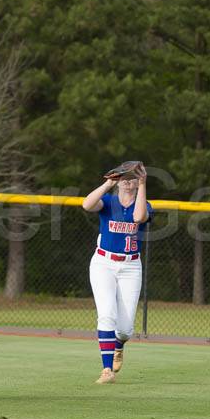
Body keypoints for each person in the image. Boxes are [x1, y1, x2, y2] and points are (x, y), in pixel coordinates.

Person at [81, 163, 151, 384]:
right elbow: (86, 204)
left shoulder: (145, 203)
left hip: (130, 267)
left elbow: (139, 217)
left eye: (132, 177)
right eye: (124, 177)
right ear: (118, 181)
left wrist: (142, 184)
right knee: (106, 314)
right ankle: (106, 370)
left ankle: (119, 344)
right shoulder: (108, 202)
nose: (127, 180)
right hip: (103, 263)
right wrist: (108, 182)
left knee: (125, 329)